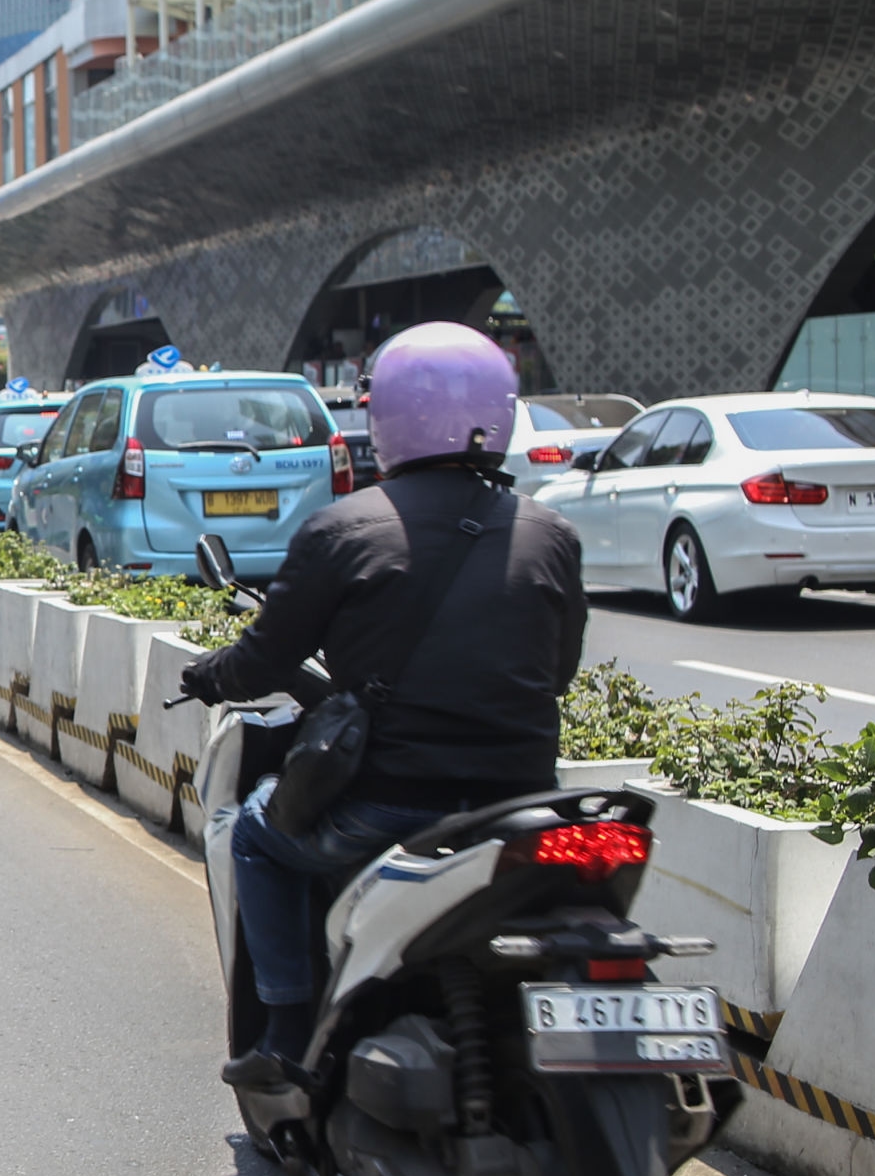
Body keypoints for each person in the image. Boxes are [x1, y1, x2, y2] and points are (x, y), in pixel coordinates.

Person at [181, 322, 587, 1089]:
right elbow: (558, 672)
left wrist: (209, 675)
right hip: (522, 803)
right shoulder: (551, 532)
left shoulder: (341, 529)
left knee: (255, 838)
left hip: (389, 804)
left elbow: (264, 659)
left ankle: (287, 1036)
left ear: (387, 416)